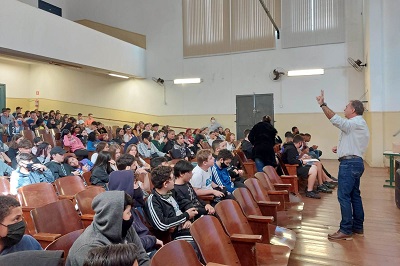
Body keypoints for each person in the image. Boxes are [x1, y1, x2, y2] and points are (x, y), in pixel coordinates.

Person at [316, 90, 370, 240]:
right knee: (354, 195)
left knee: (343, 196)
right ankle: (358, 227)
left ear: (353, 110)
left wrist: (323, 105)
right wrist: (339, 149)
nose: (344, 109)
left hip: (350, 164)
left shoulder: (355, 122)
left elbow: (337, 121)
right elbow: (353, 142)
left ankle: (346, 229)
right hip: (355, 162)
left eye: (346, 107)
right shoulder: (358, 124)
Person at [66, 191, 150, 266]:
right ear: (114, 217)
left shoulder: (124, 227)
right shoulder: (89, 248)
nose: (131, 215)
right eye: (128, 212)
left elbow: (142, 256)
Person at [144, 166, 198, 244]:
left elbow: (186, 203)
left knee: (209, 233)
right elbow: (162, 224)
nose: (175, 181)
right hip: (173, 235)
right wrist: (186, 216)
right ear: (165, 184)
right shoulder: (153, 201)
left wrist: (188, 219)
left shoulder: (171, 192)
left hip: (186, 226)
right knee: (201, 242)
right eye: (172, 179)